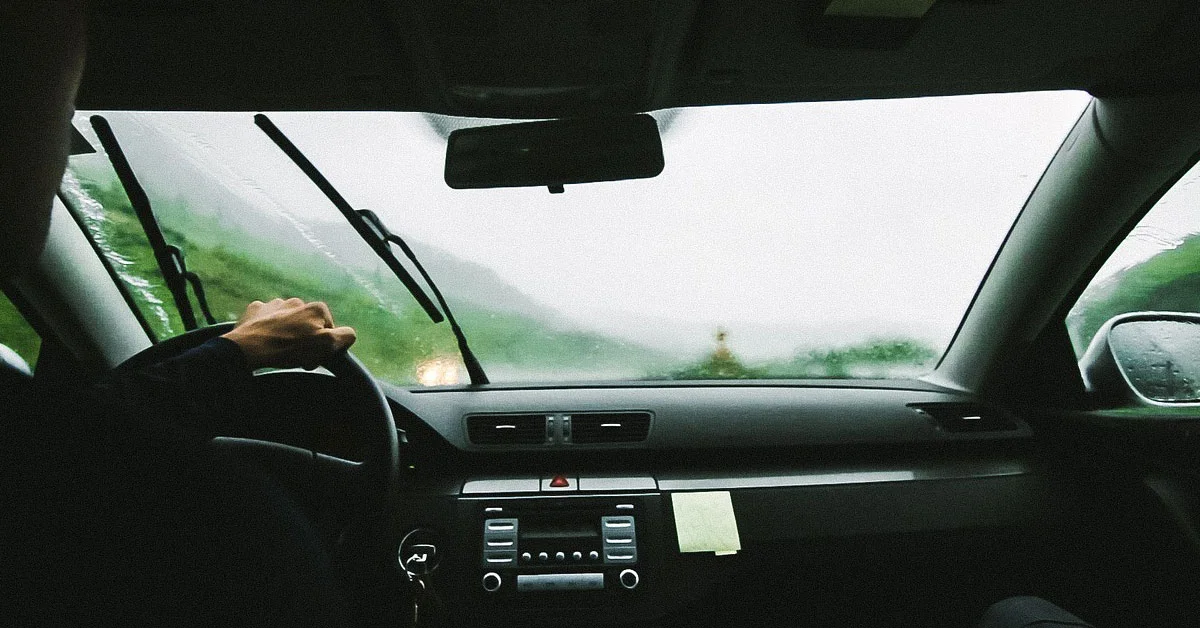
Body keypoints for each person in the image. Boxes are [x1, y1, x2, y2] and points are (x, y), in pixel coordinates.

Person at [2, 5, 361, 625]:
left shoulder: (52, 465)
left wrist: (239, 351)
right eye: (61, 119)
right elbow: (91, 454)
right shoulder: (213, 524)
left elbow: (92, 439)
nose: (62, 154)